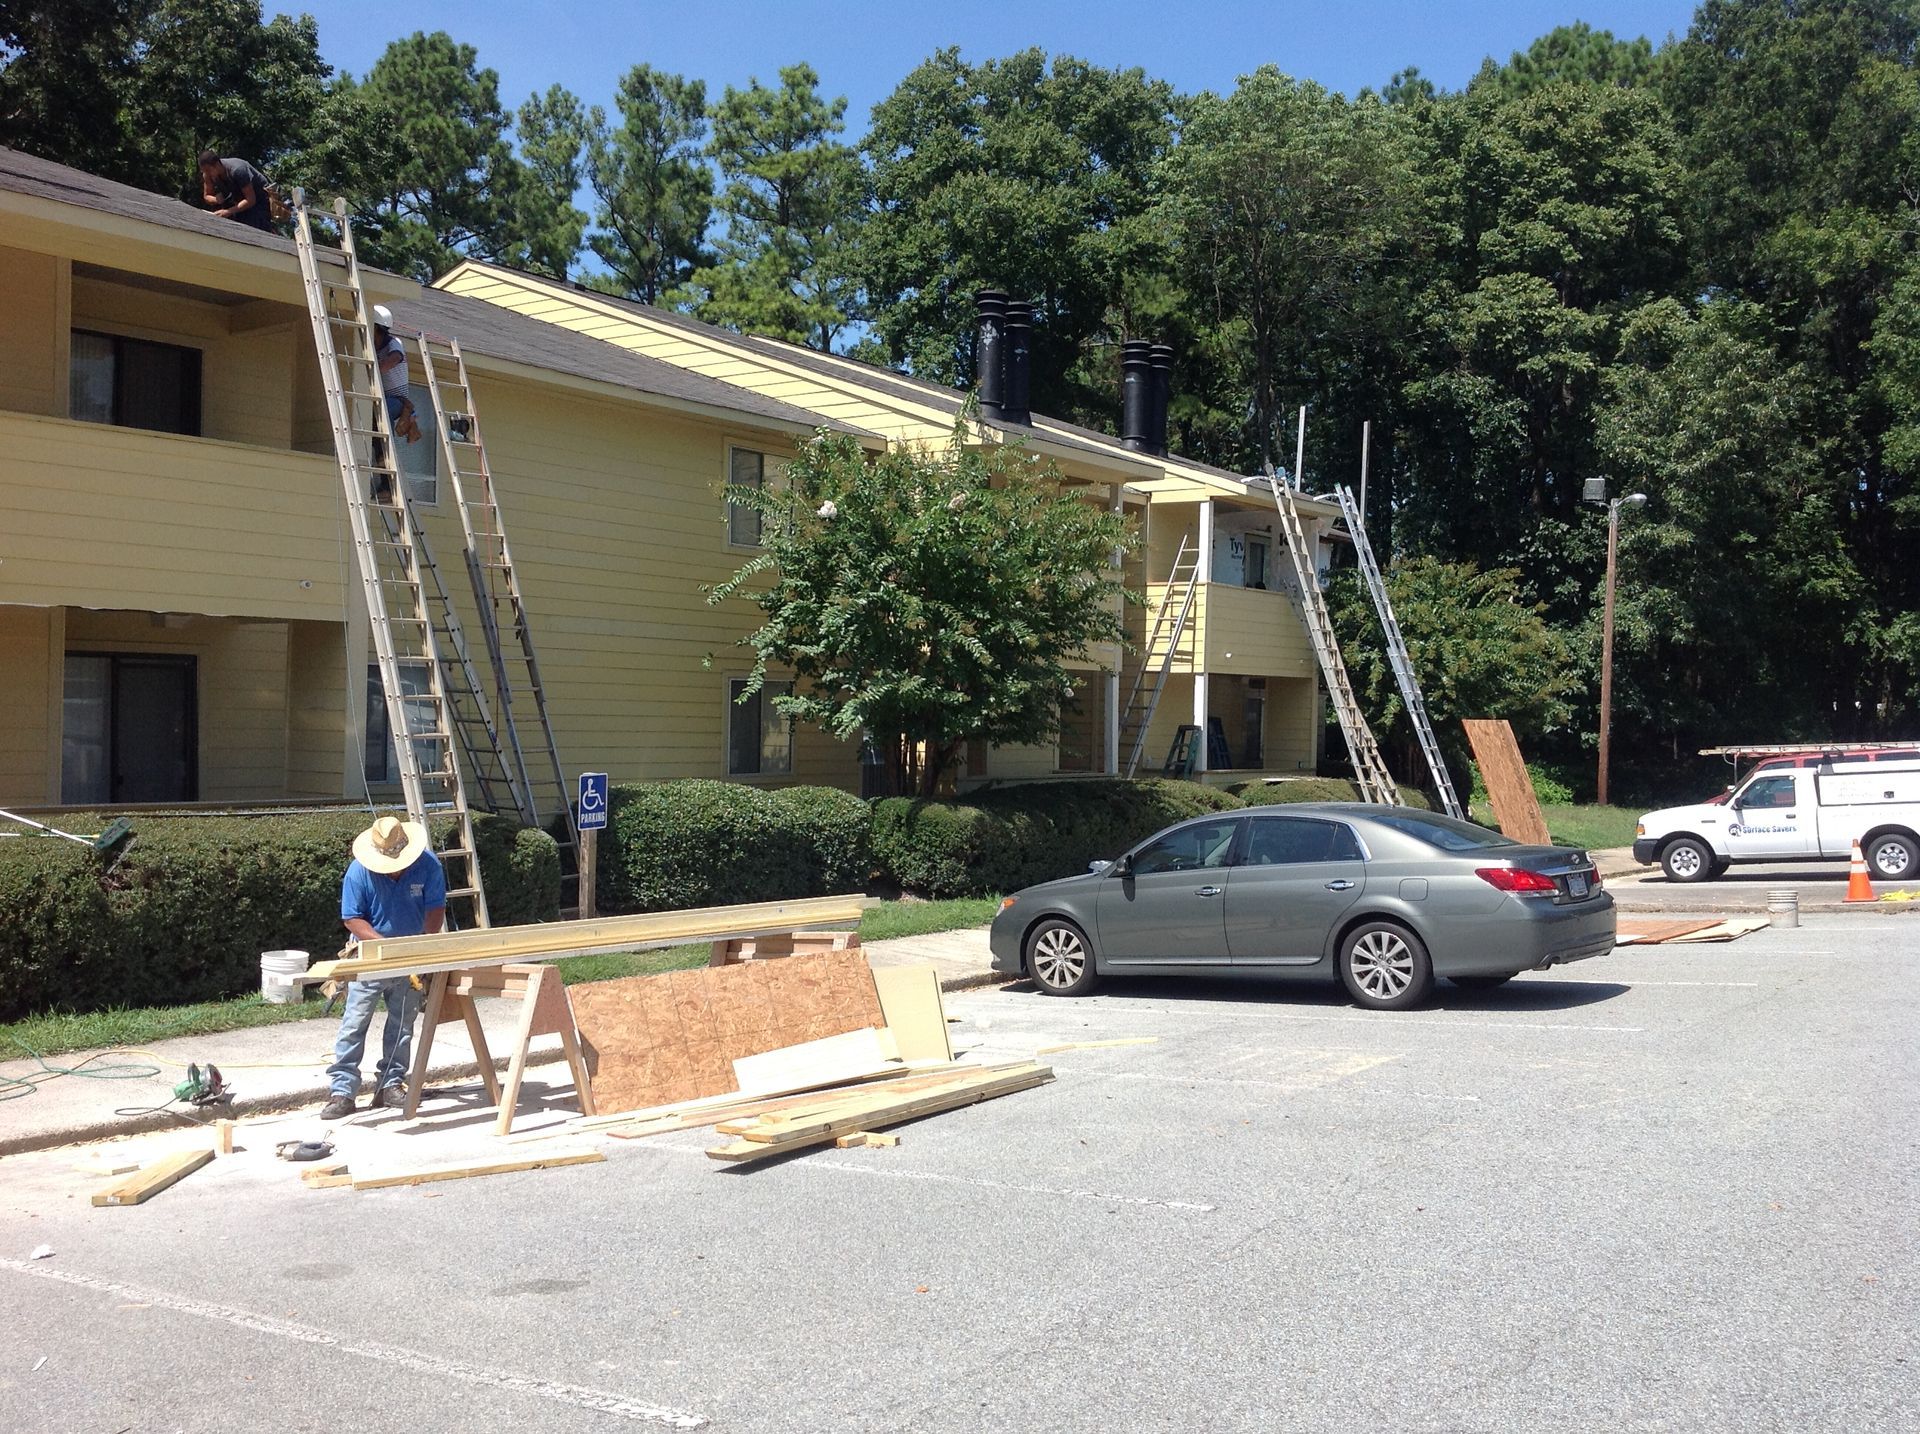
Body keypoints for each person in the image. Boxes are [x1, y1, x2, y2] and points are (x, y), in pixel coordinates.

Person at [323, 815, 446, 1119]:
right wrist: (382, 945)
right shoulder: (359, 872)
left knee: (402, 1024)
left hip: (410, 956)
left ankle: (390, 1084)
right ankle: (342, 1091)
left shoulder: (428, 866)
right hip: (370, 955)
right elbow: (352, 918)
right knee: (355, 1022)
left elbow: (435, 911)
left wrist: (421, 947)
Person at [198, 151, 276, 232]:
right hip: (238, 199)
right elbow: (207, 196)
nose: (206, 174)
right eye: (204, 171)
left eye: (208, 170)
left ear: (217, 164)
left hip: (259, 199)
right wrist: (216, 200)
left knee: (253, 227)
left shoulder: (237, 170)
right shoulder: (207, 174)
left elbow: (251, 200)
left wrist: (228, 212)